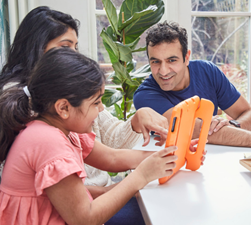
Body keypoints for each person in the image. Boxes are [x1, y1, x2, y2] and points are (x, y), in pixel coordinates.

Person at [0, 48, 184, 225]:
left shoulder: (60, 130)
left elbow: (112, 157)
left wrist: (171, 153)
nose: (102, 108)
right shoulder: (48, 142)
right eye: (96, 102)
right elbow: (85, 219)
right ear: (63, 108)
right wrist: (141, 176)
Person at [0, 6, 168, 193]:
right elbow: (69, 203)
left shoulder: (69, 110)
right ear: (62, 108)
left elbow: (111, 154)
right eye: (65, 47)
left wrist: (162, 150)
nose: (75, 55)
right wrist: (127, 187)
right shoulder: (33, 116)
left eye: (76, 47)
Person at [134, 21, 251, 150]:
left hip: (213, 161)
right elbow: (199, 131)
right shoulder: (145, 96)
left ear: (187, 57)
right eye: (155, 62)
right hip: (171, 168)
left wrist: (231, 127)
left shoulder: (207, 71)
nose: (163, 71)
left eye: (172, 60)